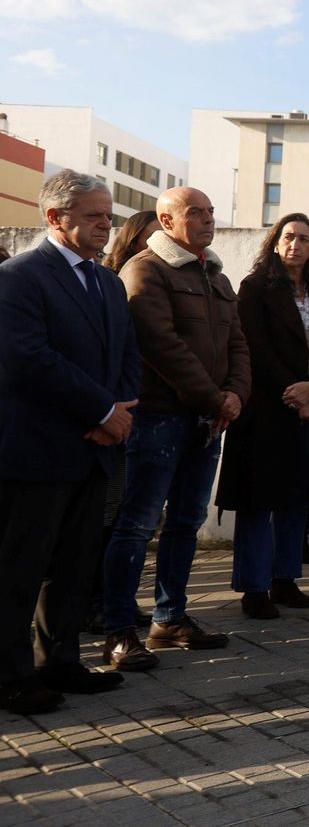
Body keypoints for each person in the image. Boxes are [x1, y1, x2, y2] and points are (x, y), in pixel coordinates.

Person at [0, 172, 141, 715]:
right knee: (20, 567)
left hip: (95, 447)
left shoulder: (107, 281)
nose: (106, 225)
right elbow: (27, 359)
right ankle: (11, 676)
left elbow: (128, 353)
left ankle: (58, 660)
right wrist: (100, 410)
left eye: (108, 216)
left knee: (76, 564)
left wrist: (119, 411)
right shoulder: (19, 276)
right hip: (38, 449)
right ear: (55, 218)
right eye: (93, 216)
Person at [102, 186, 248, 671]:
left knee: (187, 521)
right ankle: (120, 631)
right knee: (137, 525)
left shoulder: (217, 275)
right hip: (159, 416)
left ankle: (170, 619)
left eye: (210, 211)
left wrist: (236, 395)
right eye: (195, 213)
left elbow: (239, 344)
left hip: (208, 419)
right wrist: (216, 396)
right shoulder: (145, 270)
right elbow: (159, 345)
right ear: (166, 221)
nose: (208, 219)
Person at [216, 214, 309, 619]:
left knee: (296, 497)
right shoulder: (256, 288)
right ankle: (253, 587)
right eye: (288, 237)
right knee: (260, 499)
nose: (296, 245)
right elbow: (254, 348)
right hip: (267, 408)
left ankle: (285, 579)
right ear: (275, 244)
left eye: (304, 239)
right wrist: (295, 393)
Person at [85, 209, 159, 635]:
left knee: (129, 517)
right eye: (147, 239)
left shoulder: (115, 285)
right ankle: (94, 602)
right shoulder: (116, 280)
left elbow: (133, 353)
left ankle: (116, 598)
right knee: (104, 516)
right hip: (104, 417)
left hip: (136, 413)